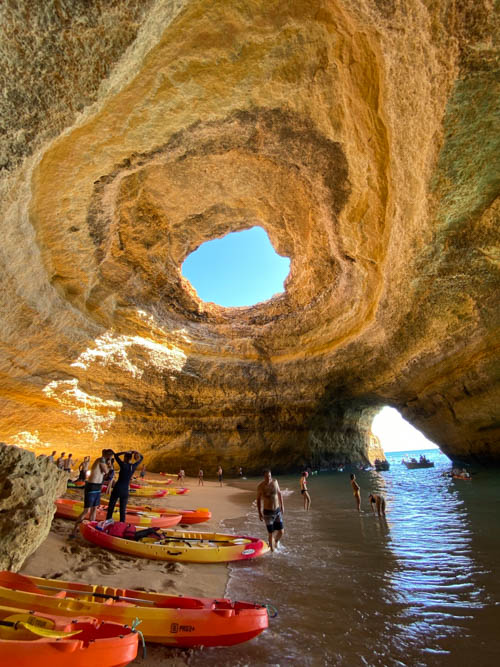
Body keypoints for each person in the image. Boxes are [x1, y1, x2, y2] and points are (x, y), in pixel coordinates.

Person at [71, 449, 112, 537]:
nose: (110, 457)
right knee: (87, 510)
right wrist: (110, 465)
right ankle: (74, 530)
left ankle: (90, 529)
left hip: (97, 486)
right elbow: (106, 471)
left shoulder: (103, 461)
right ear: (107, 455)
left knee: (94, 509)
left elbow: (106, 474)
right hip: (92, 486)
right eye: (110, 455)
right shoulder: (101, 459)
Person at [106, 450, 144, 522]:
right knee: (122, 510)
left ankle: (107, 521)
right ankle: (122, 524)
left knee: (111, 507)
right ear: (130, 458)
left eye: (124, 457)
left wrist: (124, 452)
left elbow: (116, 455)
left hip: (118, 488)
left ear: (126, 458)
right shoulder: (133, 466)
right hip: (125, 490)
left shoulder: (123, 465)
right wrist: (137, 452)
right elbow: (142, 458)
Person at [257, 469, 284, 552]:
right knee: (271, 533)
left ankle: (275, 542)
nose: (268, 478)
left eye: (269, 476)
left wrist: (282, 505)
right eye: (266, 476)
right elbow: (258, 500)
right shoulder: (260, 486)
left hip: (277, 511)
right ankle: (273, 552)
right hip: (268, 513)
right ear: (264, 477)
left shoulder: (275, 482)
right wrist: (260, 513)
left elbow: (279, 493)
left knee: (281, 532)